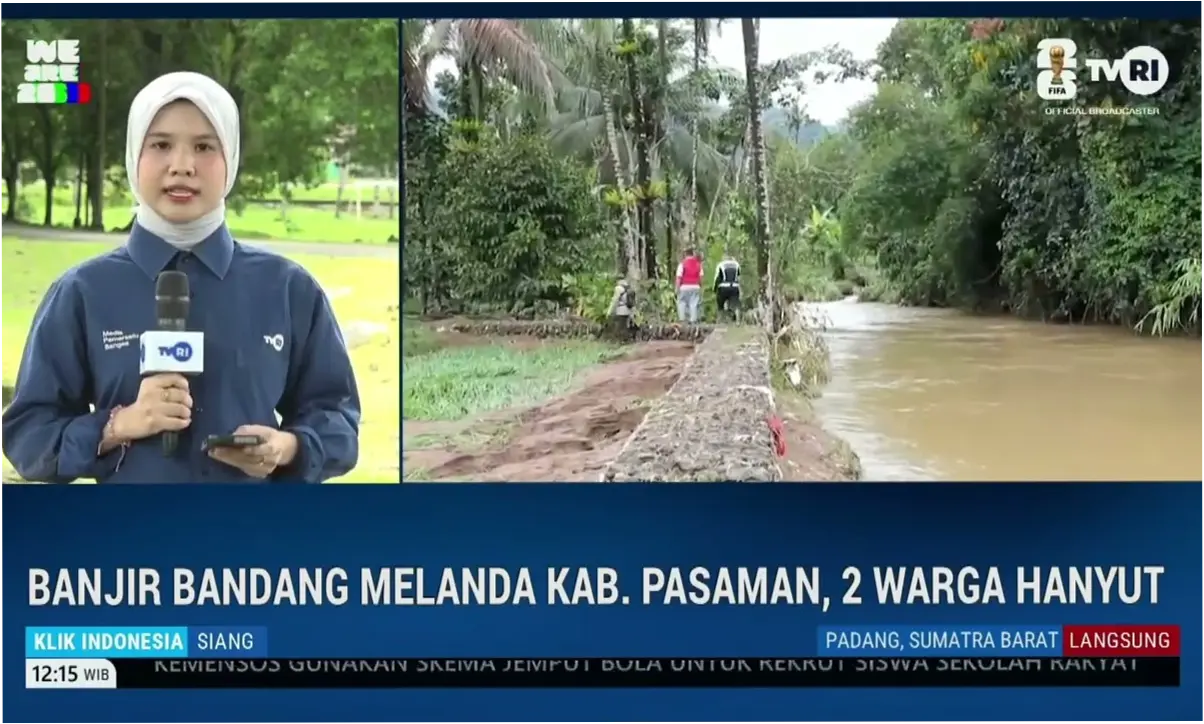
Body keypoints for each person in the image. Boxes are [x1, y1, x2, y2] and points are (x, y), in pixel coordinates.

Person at [0, 72, 361, 483]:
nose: (182, 166)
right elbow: (28, 435)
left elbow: (339, 419)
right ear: (135, 155)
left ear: (232, 158)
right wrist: (117, 425)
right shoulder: (82, 293)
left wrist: (287, 448)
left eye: (205, 146)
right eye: (161, 145)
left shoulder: (288, 289)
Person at [675, 248, 703, 323]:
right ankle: (693, 320)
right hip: (695, 286)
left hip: (684, 286)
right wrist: (700, 286)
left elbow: (679, 277)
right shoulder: (698, 264)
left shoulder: (682, 264)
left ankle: (682, 319)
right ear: (692, 254)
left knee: (681, 302)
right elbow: (700, 278)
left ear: (685, 254)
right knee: (693, 303)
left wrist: (677, 288)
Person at [714, 255, 741, 321]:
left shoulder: (721, 265)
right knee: (735, 303)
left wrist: (715, 288)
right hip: (734, 287)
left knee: (720, 304)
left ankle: (721, 319)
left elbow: (717, 278)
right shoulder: (736, 264)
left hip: (723, 287)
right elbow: (738, 275)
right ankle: (737, 318)